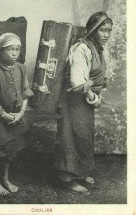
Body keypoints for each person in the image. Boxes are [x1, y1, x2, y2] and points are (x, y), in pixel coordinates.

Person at [54, 11, 113, 193]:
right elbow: (78, 83)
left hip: (85, 102)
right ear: (92, 30)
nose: (106, 34)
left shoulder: (97, 48)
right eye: (102, 30)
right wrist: (94, 99)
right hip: (74, 100)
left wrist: (97, 94)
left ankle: (80, 172)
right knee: (71, 136)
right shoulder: (81, 49)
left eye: (109, 31)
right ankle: (68, 178)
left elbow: (97, 78)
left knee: (85, 136)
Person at [0, 32, 33, 195]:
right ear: (0, 51)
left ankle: (5, 179)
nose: (14, 53)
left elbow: (25, 92)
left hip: (17, 116)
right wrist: (7, 116)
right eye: (10, 50)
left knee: (11, 151)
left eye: (17, 49)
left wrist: (21, 113)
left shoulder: (21, 68)